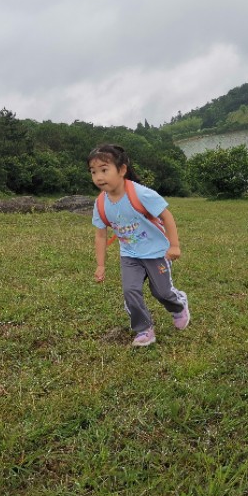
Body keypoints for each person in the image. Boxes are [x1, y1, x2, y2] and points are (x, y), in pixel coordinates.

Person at [88, 144, 190, 347]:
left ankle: (179, 305)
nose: (98, 177)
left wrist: (174, 246)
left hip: (156, 253)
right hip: (130, 255)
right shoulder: (100, 204)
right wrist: (100, 265)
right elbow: (100, 235)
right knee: (130, 291)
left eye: (104, 170)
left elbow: (166, 216)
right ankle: (144, 330)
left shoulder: (141, 194)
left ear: (122, 170)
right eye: (93, 172)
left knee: (161, 292)